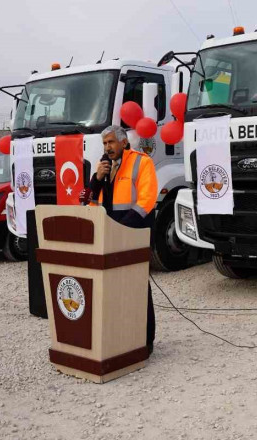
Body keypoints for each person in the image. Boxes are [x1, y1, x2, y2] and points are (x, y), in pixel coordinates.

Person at [87, 125, 158, 354]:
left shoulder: (141, 162)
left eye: (111, 142)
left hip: (133, 233)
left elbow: (146, 200)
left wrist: (122, 229)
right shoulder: (102, 168)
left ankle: (145, 342)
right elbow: (89, 201)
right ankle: (120, 338)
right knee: (113, 289)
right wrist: (96, 179)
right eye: (105, 143)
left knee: (137, 287)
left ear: (124, 142)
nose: (108, 147)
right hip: (107, 235)